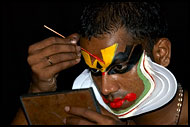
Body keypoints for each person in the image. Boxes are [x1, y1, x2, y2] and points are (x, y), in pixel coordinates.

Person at [11, 2, 188, 125]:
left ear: (161, 53)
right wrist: (38, 90)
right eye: (95, 71)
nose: (106, 89)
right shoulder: (87, 116)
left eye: (119, 68)